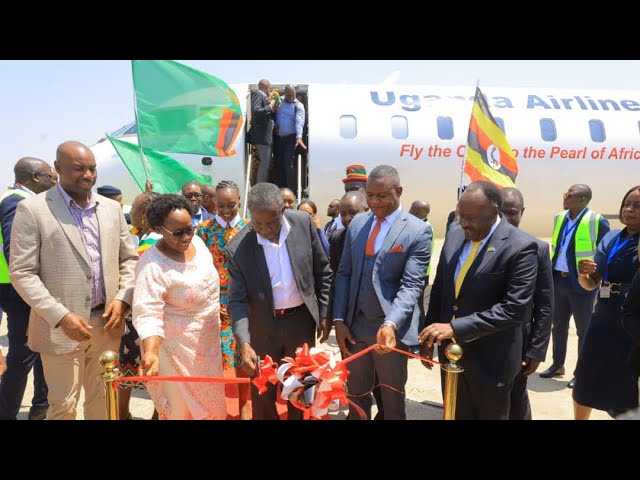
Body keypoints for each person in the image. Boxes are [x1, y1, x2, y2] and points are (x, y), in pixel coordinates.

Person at [10, 141, 138, 420]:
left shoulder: (111, 209)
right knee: (63, 407)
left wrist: (123, 298)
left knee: (104, 402)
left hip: (107, 323)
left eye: (92, 168)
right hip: (60, 329)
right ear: (57, 168)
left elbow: (129, 259)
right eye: (79, 169)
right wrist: (60, 315)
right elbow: (21, 272)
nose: (88, 175)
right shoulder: (33, 210)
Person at [419, 181, 539, 420]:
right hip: (451, 354)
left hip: (493, 360)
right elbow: (441, 288)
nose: (463, 222)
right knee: (455, 413)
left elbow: (513, 309)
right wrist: (429, 334)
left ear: (495, 211)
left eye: (471, 218)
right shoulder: (455, 234)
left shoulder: (521, 247)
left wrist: (454, 327)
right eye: (460, 215)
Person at [226, 183, 332, 420]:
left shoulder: (303, 224)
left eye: (271, 222)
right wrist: (244, 342)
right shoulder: (237, 249)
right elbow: (237, 300)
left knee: (299, 387)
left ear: (283, 210)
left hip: (300, 323)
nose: (264, 229)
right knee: (263, 393)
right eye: (258, 223)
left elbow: (322, 271)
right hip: (262, 328)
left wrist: (324, 312)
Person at [333, 165, 431, 420]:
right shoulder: (358, 223)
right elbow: (344, 273)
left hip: (390, 333)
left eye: (382, 196)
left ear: (398, 192)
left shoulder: (417, 230)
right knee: (355, 397)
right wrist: (339, 320)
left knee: (391, 401)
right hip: (355, 327)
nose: (374, 202)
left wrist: (391, 323)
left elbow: (411, 285)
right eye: (370, 196)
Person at [133, 194, 226, 420]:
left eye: (190, 228)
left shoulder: (199, 243)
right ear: (158, 229)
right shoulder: (152, 265)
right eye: (178, 233)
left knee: (212, 407)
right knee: (182, 412)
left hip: (208, 346)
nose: (186, 237)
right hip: (175, 352)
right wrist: (152, 352)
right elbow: (147, 313)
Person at [572, 185, 640, 419]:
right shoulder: (612, 237)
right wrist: (584, 273)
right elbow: (591, 283)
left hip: (633, 324)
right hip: (603, 317)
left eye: (637, 206)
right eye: (627, 204)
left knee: (625, 386)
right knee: (586, 377)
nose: (629, 209)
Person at [0, 157, 56, 420]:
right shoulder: (17, 201)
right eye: (50, 177)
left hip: (15, 287)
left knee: (42, 347)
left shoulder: (10, 197)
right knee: (23, 354)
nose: (54, 182)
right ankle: (7, 412)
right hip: (18, 290)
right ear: (35, 177)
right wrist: (33, 289)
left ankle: (40, 406)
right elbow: (16, 251)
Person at [540, 184, 609, 389]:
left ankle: (582, 372)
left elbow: (603, 252)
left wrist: (596, 278)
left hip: (582, 283)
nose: (565, 197)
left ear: (583, 200)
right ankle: (557, 365)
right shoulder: (560, 217)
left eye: (570, 195)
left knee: (583, 330)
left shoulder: (597, 221)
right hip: (558, 280)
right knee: (558, 326)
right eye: (566, 193)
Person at [195, 180, 251, 420]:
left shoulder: (250, 228)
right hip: (213, 301)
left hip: (244, 301)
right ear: (213, 203)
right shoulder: (204, 230)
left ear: (239, 201)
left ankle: (245, 405)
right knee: (214, 356)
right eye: (221, 205)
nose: (227, 211)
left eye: (232, 205)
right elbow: (198, 268)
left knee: (244, 352)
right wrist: (212, 302)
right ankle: (215, 407)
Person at [500, 187, 553, 420]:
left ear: (522, 212)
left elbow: (544, 303)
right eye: (501, 212)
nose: (506, 219)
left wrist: (537, 349)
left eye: (512, 212)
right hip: (480, 340)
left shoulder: (537, 248)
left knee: (516, 405)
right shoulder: (478, 246)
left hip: (518, 343)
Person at [117, 191, 162, 421]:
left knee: (150, 370)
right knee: (125, 368)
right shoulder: (136, 234)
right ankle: (122, 414)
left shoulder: (154, 243)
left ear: (144, 214)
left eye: (133, 208)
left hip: (143, 319)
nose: (130, 212)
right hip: (131, 318)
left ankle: (155, 414)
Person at [273, 84, 307, 192]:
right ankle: (280, 190)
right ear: (284, 93)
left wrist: (299, 137)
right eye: (288, 95)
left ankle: (291, 191)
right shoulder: (278, 101)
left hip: (290, 138)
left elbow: (299, 122)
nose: (291, 98)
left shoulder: (298, 105)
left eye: (293, 95)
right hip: (277, 138)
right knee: (278, 164)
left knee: (288, 164)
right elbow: (271, 113)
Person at [248, 79, 276, 184]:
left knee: (266, 163)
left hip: (265, 137)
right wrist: (270, 105)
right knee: (264, 163)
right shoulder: (258, 95)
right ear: (266, 87)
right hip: (262, 137)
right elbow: (256, 111)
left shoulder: (262, 96)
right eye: (269, 88)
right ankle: (261, 187)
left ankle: (262, 185)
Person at [409, 200, 434, 285]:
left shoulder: (425, 228)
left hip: (420, 270)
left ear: (416, 212)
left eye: (411, 209)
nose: (409, 211)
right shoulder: (421, 225)